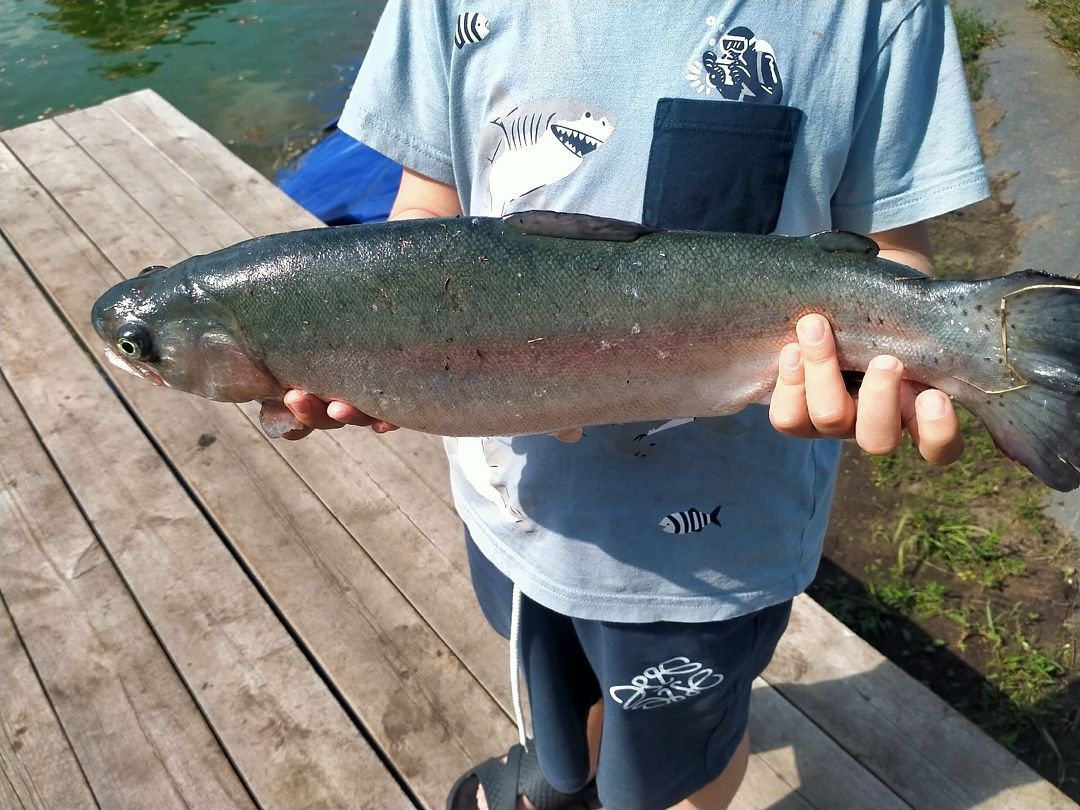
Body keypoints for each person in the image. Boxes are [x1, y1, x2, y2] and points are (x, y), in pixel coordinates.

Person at [285, 3, 988, 808]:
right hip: (511, 503)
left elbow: (892, 246)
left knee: (683, 758)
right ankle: (570, 769)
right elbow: (427, 207)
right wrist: (374, 344)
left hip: (713, 552)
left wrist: (885, 363)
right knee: (555, 687)